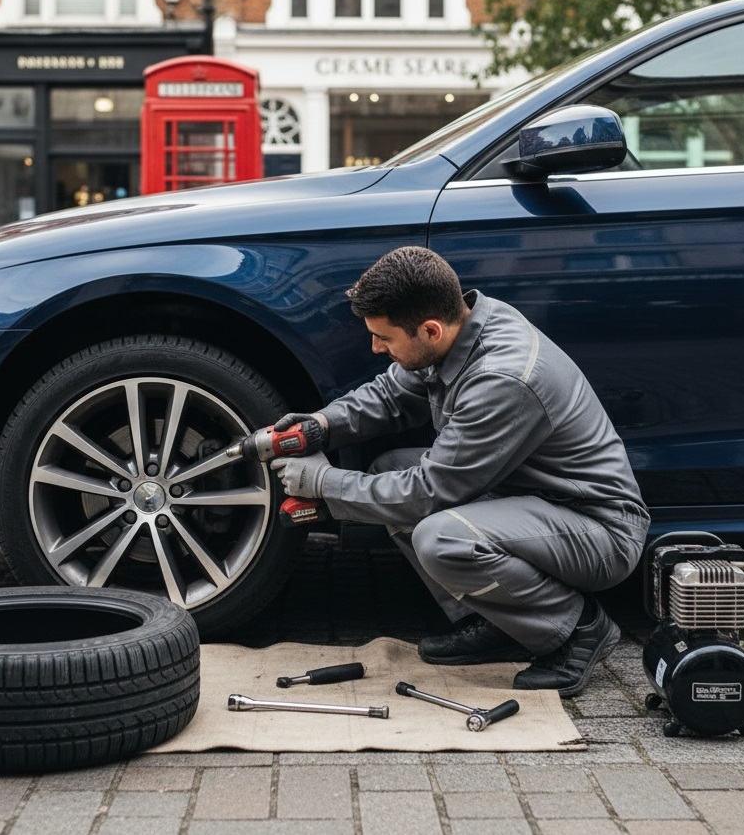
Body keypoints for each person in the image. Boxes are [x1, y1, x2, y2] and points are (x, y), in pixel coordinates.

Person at [270, 246, 650, 697]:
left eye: (385, 338)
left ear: (429, 329)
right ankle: (503, 623)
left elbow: (431, 491)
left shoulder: (502, 378)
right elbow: (390, 396)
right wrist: (321, 425)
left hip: (596, 529)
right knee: (389, 468)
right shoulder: (462, 328)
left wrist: (323, 484)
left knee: (440, 535)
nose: (375, 348)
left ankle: (578, 629)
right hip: (534, 502)